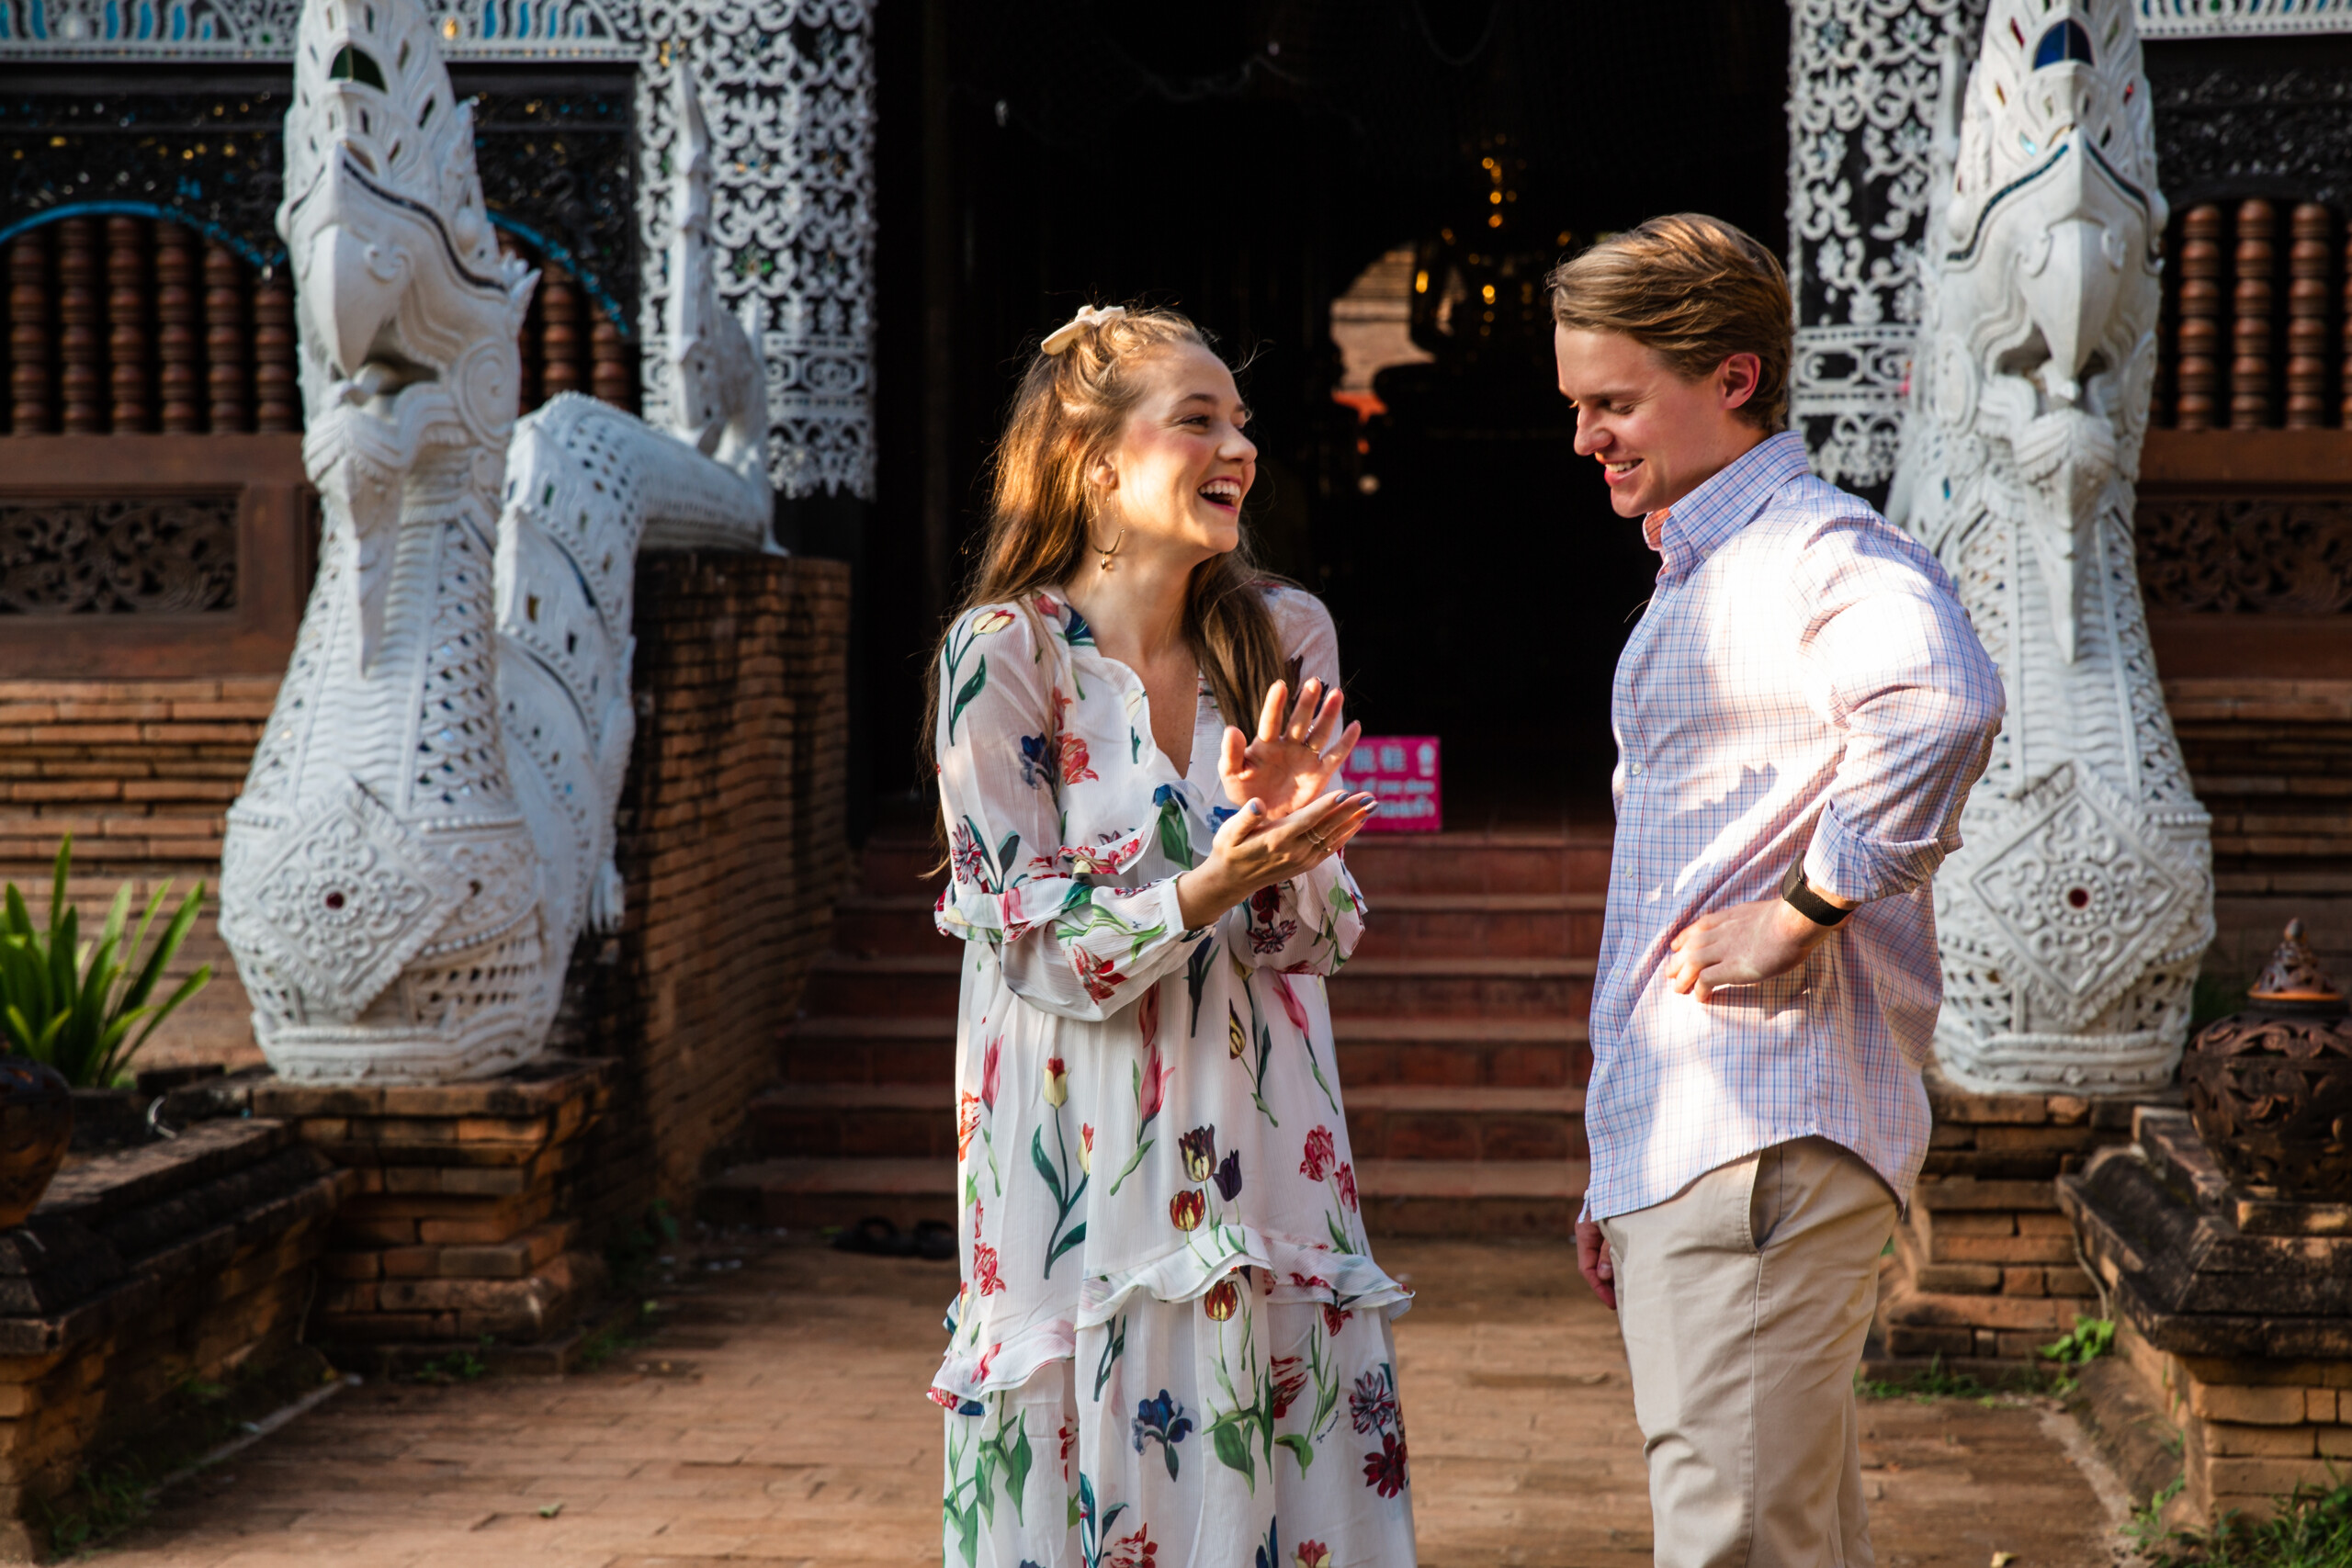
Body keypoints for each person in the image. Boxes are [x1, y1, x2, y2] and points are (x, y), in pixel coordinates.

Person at [926, 302, 1416, 1568]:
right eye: (1199, 419)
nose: (1239, 447)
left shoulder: (1285, 634)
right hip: (1076, 1160)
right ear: (1097, 461)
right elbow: (1024, 936)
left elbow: (1321, 936)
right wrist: (1209, 883)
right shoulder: (1006, 654)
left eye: (1242, 423)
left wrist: (1293, 851)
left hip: (1260, 1142)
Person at [1550, 216, 2004, 1567]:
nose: (1588, 439)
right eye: (1579, 406)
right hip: (1706, 1133)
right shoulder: (1710, 571)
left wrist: (1804, 911)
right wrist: (1616, 1168)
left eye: (1614, 402)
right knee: (1791, 1539)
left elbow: (1941, 702)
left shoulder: (1814, 553)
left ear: (1733, 379)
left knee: (1741, 1543)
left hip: (1761, 1130)